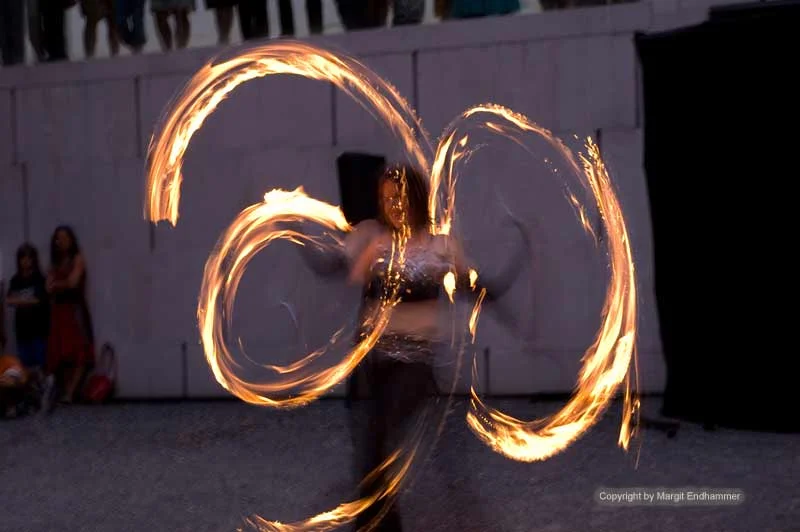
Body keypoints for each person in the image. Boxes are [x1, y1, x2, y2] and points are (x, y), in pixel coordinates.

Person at [296, 163, 530, 531]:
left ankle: (382, 523)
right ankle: (375, 521)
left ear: (418, 199)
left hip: (415, 361)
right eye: (387, 199)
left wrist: (508, 293)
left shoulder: (440, 246)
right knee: (371, 440)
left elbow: (475, 285)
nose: (394, 205)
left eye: (401, 197)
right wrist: (293, 223)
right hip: (371, 357)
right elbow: (331, 267)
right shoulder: (372, 236)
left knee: (386, 437)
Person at [45, 226, 95, 405]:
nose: (61, 241)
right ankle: (66, 391)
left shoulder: (77, 258)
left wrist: (57, 285)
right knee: (62, 353)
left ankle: (71, 392)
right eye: (58, 238)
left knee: (79, 351)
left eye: (64, 238)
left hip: (74, 310)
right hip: (59, 311)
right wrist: (54, 286)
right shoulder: (55, 262)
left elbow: (73, 282)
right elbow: (48, 285)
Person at [6, 244, 49, 374]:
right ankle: (29, 392)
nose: (26, 261)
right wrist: (29, 301)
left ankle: (43, 391)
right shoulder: (15, 279)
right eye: (23, 258)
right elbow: (9, 300)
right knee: (25, 365)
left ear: (34, 259)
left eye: (29, 258)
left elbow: (40, 300)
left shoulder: (39, 278)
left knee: (42, 363)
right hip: (22, 330)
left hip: (38, 329)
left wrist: (19, 300)